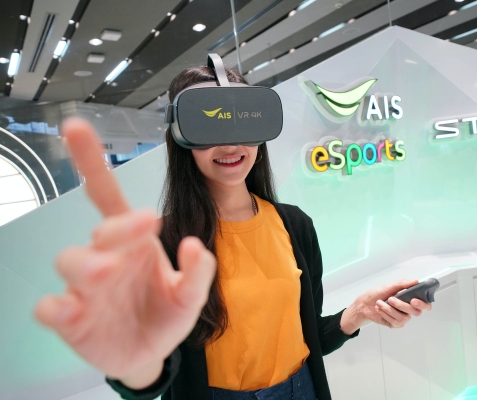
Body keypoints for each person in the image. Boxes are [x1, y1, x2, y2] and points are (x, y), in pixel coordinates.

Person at [34, 66, 432, 400]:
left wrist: (358, 313)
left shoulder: (295, 226)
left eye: (241, 124)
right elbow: (153, 370)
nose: (229, 145)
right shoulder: (165, 243)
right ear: (182, 138)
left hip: (302, 390)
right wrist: (135, 364)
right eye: (209, 127)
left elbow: (308, 338)